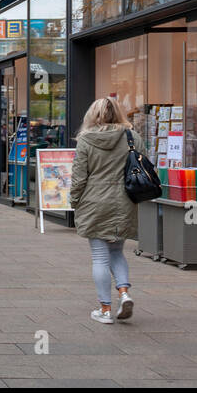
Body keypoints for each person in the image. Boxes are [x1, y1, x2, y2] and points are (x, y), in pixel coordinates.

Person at [71, 96, 139, 325]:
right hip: (124, 202)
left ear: (92, 115)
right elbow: (144, 166)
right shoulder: (132, 136)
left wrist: (74, 201)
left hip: (94, 202)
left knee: (100, 256)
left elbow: (79, 177)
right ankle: (124, 293)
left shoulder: (86, 140)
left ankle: (105, 310)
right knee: (117, 252)